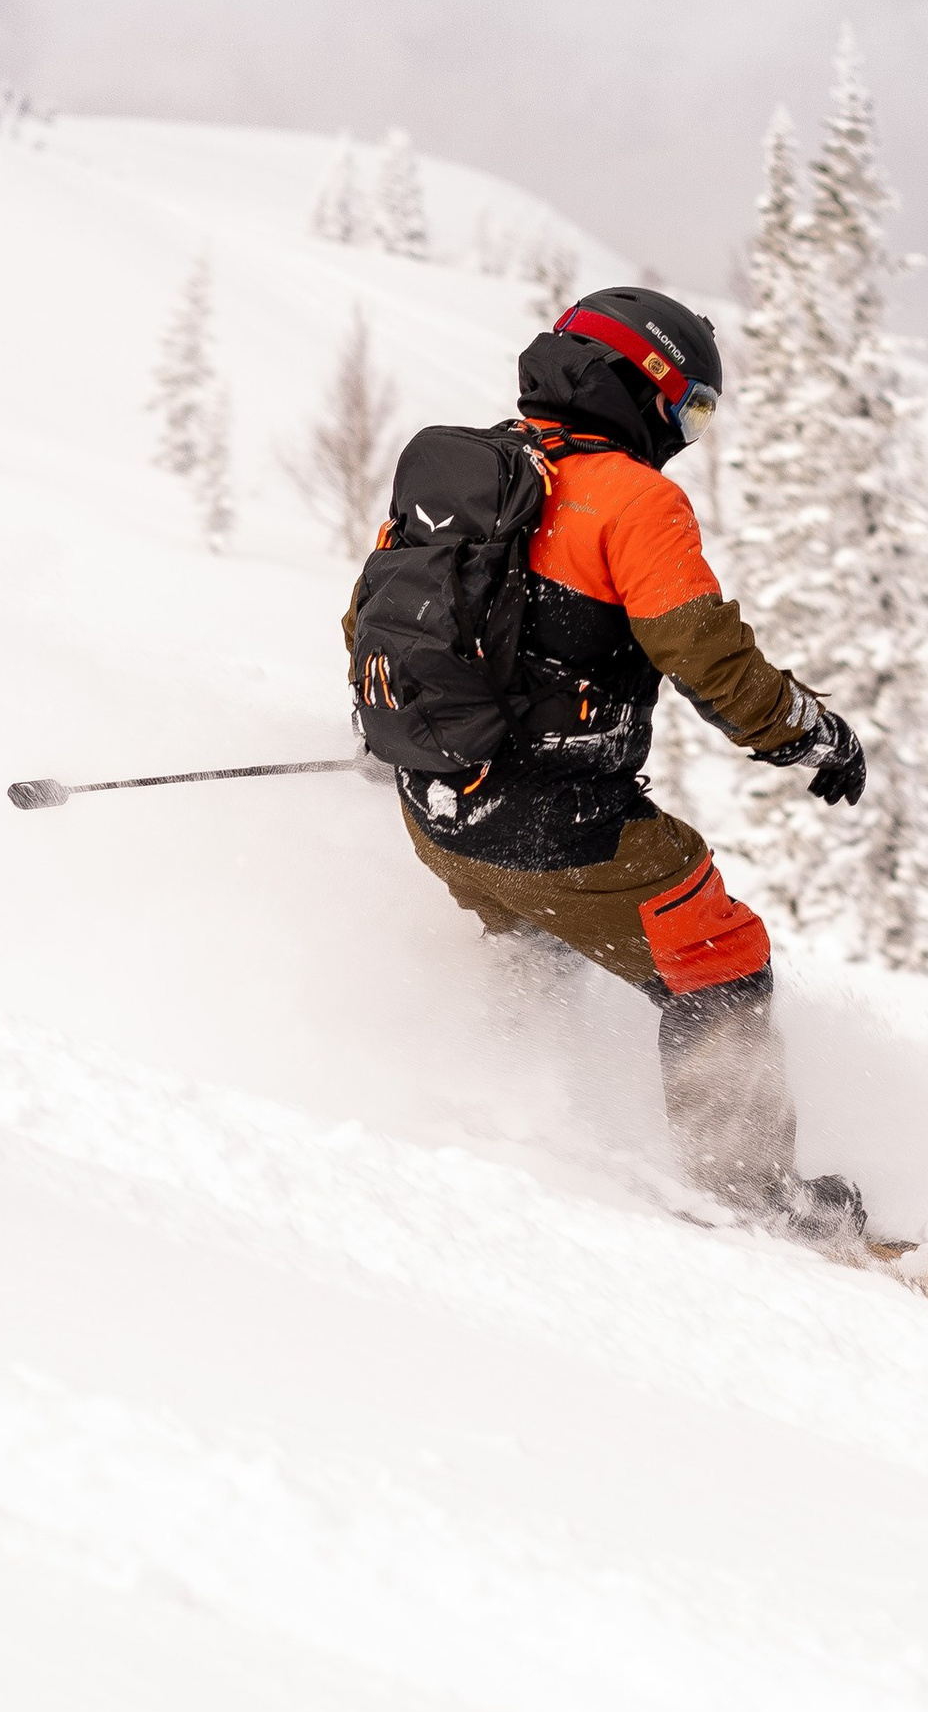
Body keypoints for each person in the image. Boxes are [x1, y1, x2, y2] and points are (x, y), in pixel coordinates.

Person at [374, 287, 873, 1247]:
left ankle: (503, 1113)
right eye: (690, 409)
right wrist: (808, 732)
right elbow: (707, 656)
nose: (687, 433)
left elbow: (377, 624)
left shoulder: (462, 465)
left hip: (436, 811)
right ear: (640, 383)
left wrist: (421, 730)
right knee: (718, 953)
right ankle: (754, 1200)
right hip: (555, 826)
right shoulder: (636, 500)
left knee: (531, 936)